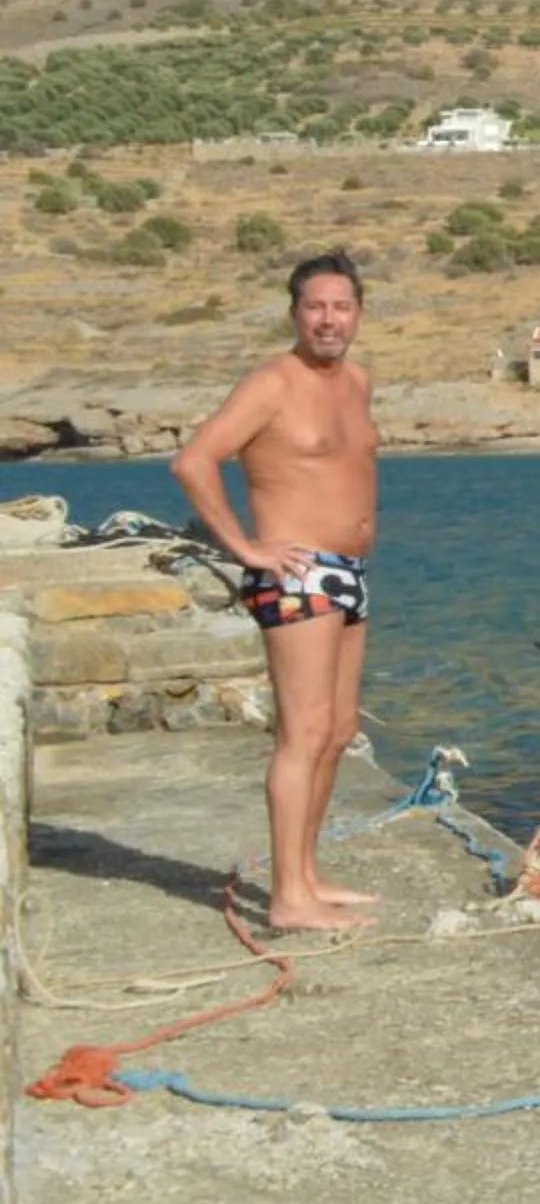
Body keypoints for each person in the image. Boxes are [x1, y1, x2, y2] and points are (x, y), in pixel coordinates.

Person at [170, 252, 382, 932]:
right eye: (315, 306)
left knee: (339, 731)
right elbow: (194, 459)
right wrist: (246, 547)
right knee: (304, 732)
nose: (328, 319)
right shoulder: (271, 383)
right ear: (295, 312)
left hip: (350, 573)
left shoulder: (356, 382)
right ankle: (289, 897)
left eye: (341, 306)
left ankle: (308, 875)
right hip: (295, 573)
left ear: (358, 313)